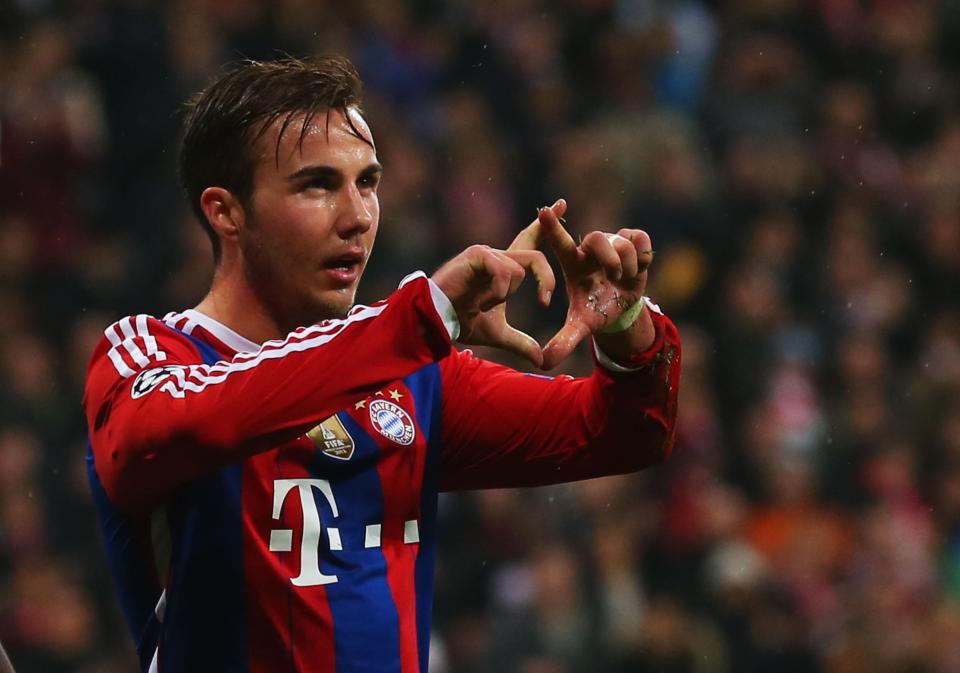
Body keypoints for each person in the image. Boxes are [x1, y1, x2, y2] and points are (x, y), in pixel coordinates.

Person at [83, 56, 681, 673]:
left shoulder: (409, 373)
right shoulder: (145, 355)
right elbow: (166, 433)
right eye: (316, 185)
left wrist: (623, 324)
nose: (358, 216)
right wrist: (421, 318)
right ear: (225, 212)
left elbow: (624, 432)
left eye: (366, 183)